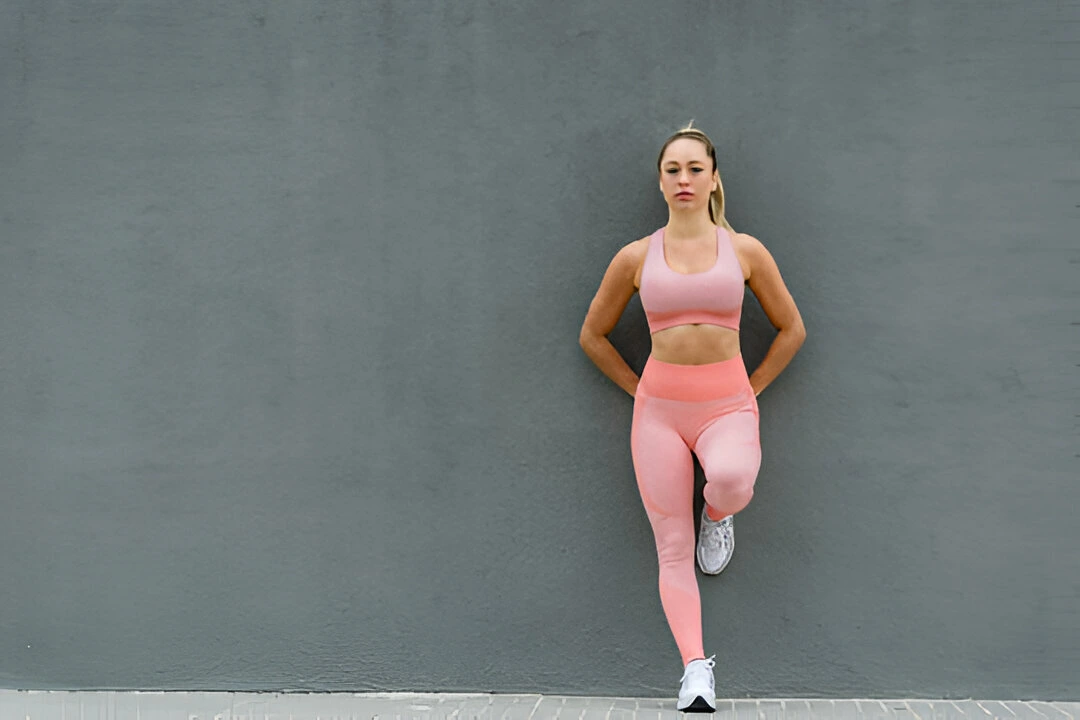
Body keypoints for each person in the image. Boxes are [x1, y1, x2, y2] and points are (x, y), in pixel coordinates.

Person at [578, 125, 806, 712]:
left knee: (732, 480)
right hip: (658, 414)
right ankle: (695, 671)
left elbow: (792, 329)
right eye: (673, 170)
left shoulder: (745, 251)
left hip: (727, 404)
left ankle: (717, 515)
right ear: (660, 182)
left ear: (713, 179)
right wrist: (640, 391)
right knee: (672, 547)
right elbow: (593, 335)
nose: (684, 179)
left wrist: (750, 389)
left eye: (695, 169)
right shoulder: (636, 257)